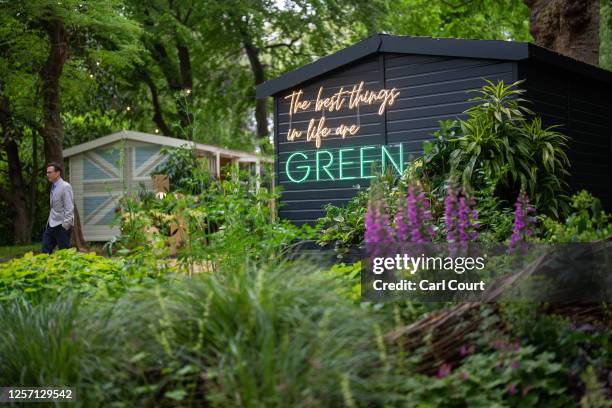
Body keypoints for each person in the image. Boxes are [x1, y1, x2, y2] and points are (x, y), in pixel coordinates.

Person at [42, 162, 74, 254]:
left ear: (57, 173)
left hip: (62, 225)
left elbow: (69, 207)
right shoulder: (53, 186)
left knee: (64, 253)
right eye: (47, 172)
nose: (47, 174)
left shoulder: (65, 186)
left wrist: (65, 226)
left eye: (50, 172)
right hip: (51, 224)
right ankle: (46, 268)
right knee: (45, 250)